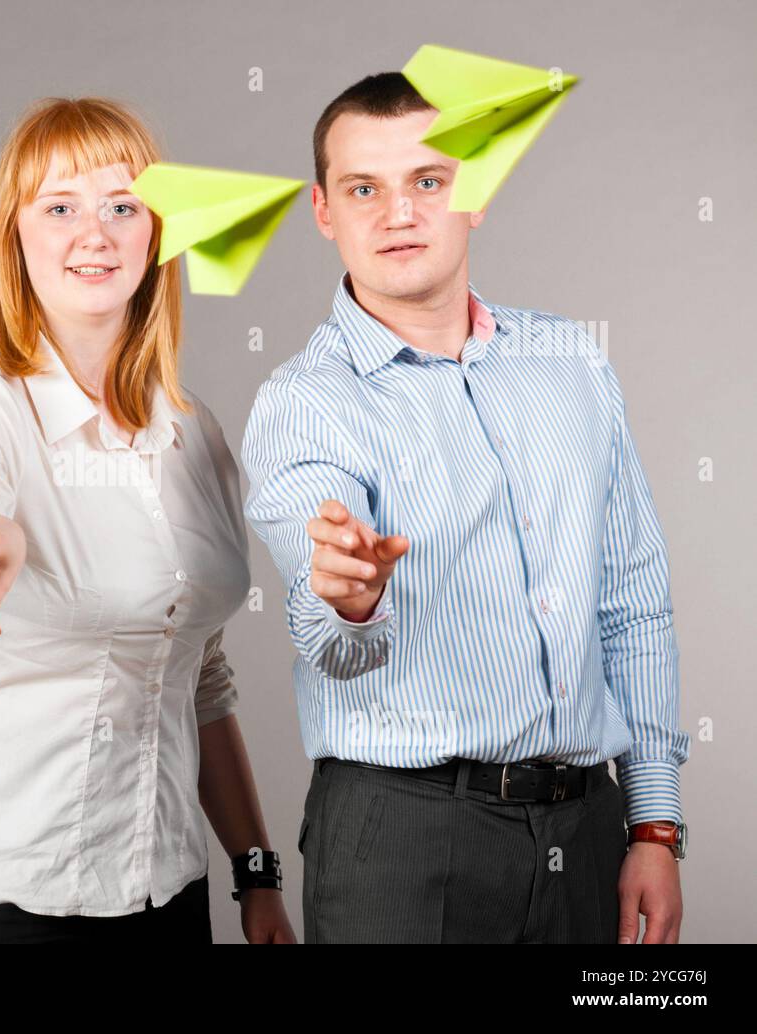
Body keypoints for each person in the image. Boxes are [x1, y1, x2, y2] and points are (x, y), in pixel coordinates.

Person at [241, 72, 689, 944]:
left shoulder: (572, 363)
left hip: (587, 828)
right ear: (324, 211)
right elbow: (328, 636)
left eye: (428, 182)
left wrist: (654, 824)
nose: (397, 213)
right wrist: (349, 596)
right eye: (363, 188)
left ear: (472, 192)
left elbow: (633, 598)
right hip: (404, 841)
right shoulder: (306, 402)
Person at [0, 97, 294, 943]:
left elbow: (199, 679)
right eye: (59, 208)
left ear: (158, 233)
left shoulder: (193, 430)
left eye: (122, 207)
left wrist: (254, 871)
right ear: (15, 236)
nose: (93, 234)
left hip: (159, 883)